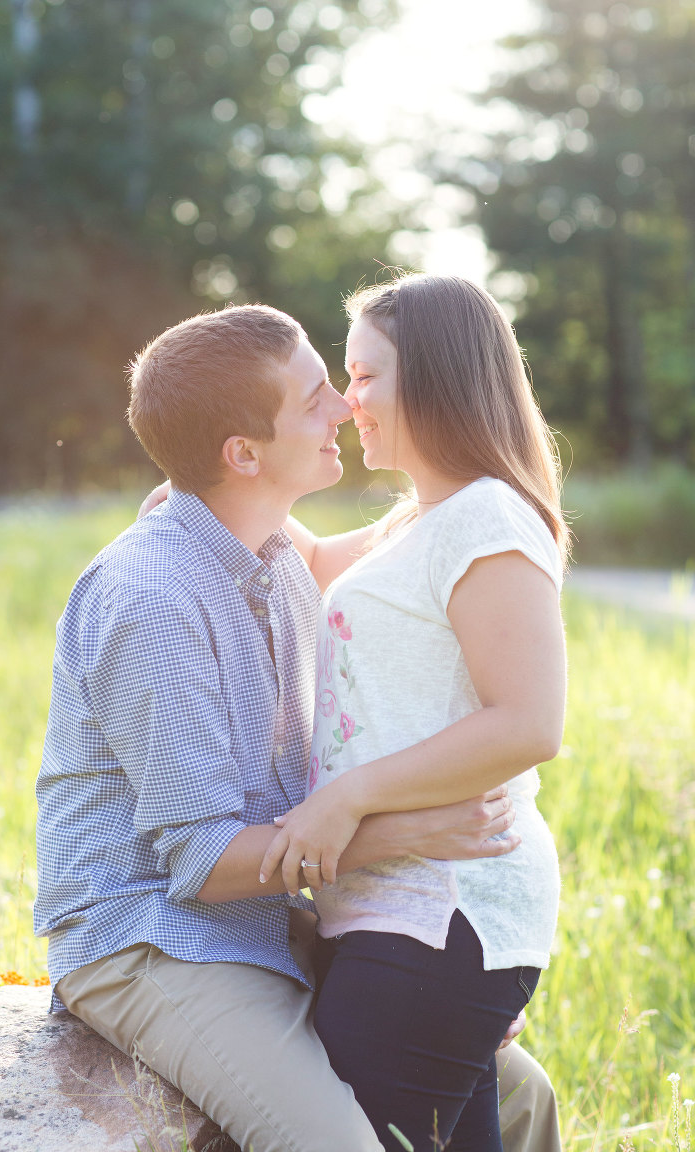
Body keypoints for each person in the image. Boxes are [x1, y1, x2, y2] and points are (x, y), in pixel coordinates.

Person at [34, 302, 562, 1152]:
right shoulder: (151, 599)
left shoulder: (281, 558)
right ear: (243, 454)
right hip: (153, 934)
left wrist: (466, 977)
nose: (344, 409)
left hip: (267, 915)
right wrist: (401, 830)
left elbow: (428, 553)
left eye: (346, 382)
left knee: (521, 1094)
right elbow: (201, 865)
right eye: (320, 393)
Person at [258, 274, 569, 1152]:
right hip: (396, 910)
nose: (348, 402)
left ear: (433, 378)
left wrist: (345, 796)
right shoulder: (419, 520)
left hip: (445, 910)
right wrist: (200, 494)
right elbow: (313, 559)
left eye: (363, 377)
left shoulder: (487, 520)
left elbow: (528, 723)